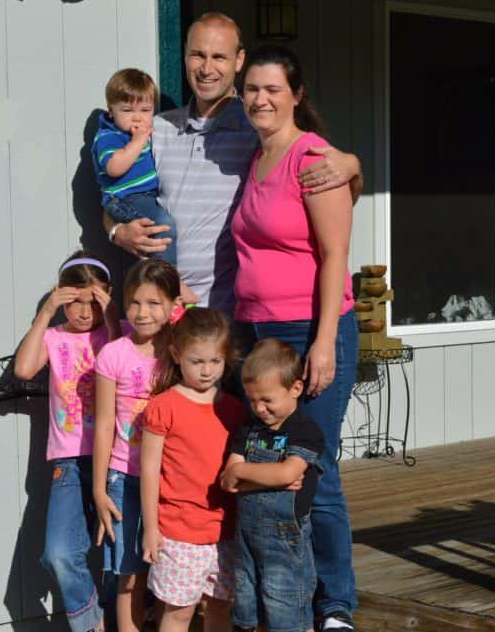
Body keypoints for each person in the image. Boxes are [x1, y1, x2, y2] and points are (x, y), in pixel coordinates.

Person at [105, 12, 362, 313]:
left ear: (239, 61)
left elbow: (319, 177)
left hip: (226, 314)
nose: (206, 68)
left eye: (219, 57)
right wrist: (117, 232)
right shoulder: (155, 130)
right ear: (185, 56)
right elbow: (113, 197)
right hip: (159, 309)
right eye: (197, 55)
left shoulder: (258, 128)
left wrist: (352, 166)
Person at [233, 44, 358, 632]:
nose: (260, 99)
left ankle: (335, 606)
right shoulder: (257, 159)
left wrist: (325, 341)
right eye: (252, 89)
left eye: (272, 89)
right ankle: (295, 592)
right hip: (260, 329)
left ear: (296, 95)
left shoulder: (312, 158)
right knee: (279, 461)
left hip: (308, 330)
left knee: (315, 463)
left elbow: (335, 257)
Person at [14, 251, 120, 632]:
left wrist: (112, 318)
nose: (85, 311)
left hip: (118, 459)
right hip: (70, 460)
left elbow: (129, 363)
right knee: (58, 553)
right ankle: (93, 623)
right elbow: (25, 369)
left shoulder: (115, 332)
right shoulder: (55, 337)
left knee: (117, 553)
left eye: (94, 301)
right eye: (75, 301)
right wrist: (45, 315)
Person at [140, 308, 246, 632]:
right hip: (178, 533)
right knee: (178, 615)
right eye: (197, 361)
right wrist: (151, 528)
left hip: (224, 533)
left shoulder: (235, 408)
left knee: (219, 611)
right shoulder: (163, 407)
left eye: (215, 361)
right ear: (176, 354)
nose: (206, 371)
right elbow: (149, 469)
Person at [92, 259, 182, 632]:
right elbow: (102, 425)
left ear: (173, 306)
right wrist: (99, 488)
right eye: (134, 303)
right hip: (123, 476)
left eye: (154, 303)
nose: (142, 313)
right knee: (128, 575)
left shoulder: (181, 349)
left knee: (167, 572)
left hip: (172, 479)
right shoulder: (114, 353)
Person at [221, 338, 325, 632]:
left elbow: (287, 473)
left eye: (267, 399)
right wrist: (255, 475)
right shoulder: (249, 430)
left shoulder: (304, 432)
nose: (259, 408)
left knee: (287, 606)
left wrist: (244, 471)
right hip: (247, 539)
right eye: (253, 400)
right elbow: (229, 480)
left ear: (295, 388)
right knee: (247, 605)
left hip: (286, 540)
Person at [94, 69, 178, 267]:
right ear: (111, 109)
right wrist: (138, 142)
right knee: (162, 227)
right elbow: (114, 167)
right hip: (124, 199)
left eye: (145, 110)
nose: (137, 118)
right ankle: (170, 279)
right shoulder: (109, 137)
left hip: (146, 196)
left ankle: (157, 275)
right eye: (127, 110)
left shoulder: (150, 131)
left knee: (155, 234)